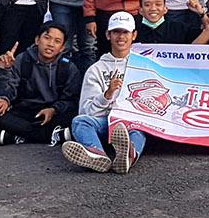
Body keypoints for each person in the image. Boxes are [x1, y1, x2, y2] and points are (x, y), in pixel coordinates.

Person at [61, 11, 147, 174]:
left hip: (131, 123)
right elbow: (87, 111)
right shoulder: (95, 69)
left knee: (139, 128)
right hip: (104, 122)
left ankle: (128, 155)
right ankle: (97, 155)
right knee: (79, 122)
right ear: (108, 35)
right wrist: (107, 95)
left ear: (134, 35)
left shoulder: (144, 66)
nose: (121, 37)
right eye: (116, 32)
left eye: (125, 32)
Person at [0, 22, 82, 145]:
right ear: (37, 40)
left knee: (76, 116)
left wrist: (53, 109)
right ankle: (48, 135)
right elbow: (11, 89)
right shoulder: (23, 59)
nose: (50, 44)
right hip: (25, 110)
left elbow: (71, 100)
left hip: (52, 112)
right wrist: (4, 94)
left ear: (62, 48)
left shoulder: (68, 67)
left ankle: (19, 136)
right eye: (47, 38)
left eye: (57, 41)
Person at [135, 0, 209, 45]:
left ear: (165, 9)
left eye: (158, 4)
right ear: (140, 10)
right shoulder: (133, 30)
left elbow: (200, 45)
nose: (153, 8)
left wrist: (203, 15)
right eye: (147, 5)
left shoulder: (180, 29)